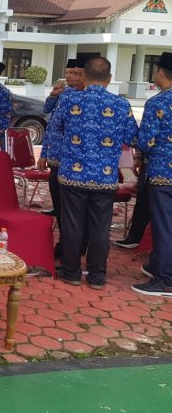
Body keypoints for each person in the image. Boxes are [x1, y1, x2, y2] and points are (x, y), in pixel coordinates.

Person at [54, 56, 138, 289]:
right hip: (105, 176)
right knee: (100, 228)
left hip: (72, 175)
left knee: (72, 225)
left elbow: (57, 127)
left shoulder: (69, 100)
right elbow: (132, 137)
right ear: (109, 78)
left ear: (84, 76)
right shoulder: (121, 104)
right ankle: (97, 276)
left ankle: (71, 272)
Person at [132, 52, 172, 296]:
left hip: (163, 174)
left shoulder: (158, 102)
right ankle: (158, 265)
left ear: (160, 72)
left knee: (164, 226)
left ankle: (165, 280)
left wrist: (139, 153)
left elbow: (146, 141)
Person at [38, 58, 86, 257]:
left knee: (73, 211)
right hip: (55, 159)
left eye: (76, 73)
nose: (71, 77)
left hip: (72, 162)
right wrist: (44, 154)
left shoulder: (84, 97)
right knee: (59, 206)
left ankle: (72, 247)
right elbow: (49, 120)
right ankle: (67, 245)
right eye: (68, 73)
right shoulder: (64, 94)